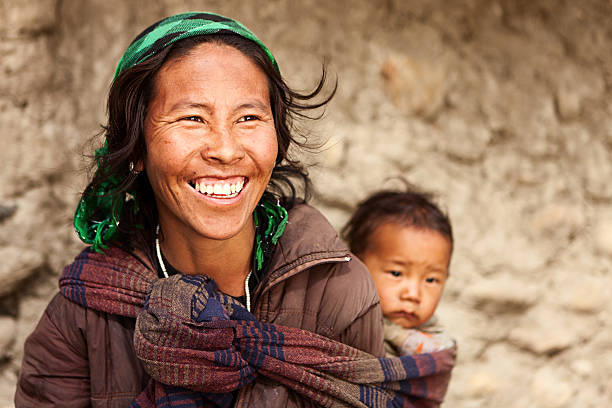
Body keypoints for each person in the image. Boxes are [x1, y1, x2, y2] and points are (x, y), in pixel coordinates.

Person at [15, 12, 454, 408]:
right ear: (137, 148)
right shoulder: (83, 315)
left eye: (248, 119)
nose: (226, 150)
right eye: (192, 118)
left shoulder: (336, 291)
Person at [342, 188, 456, 362]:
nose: (413, 295)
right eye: (396, 273)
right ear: (357, 265)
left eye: (431, 280)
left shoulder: (436, 345)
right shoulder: (338, 321)